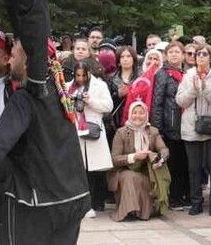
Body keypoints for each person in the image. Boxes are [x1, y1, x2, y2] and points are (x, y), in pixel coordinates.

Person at [0, 39, 90, 245]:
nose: (11, 60)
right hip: (72, 198)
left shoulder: (25, 97)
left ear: (27, 61)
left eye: (14, 55)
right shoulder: (59, 91)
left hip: (36, 206)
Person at [176, 44, 211, 216]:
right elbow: (181, 101)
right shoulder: (187, 76)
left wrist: (205, 87)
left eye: (204, 54)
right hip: (192, 127)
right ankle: (196, 202)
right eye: (198, 54)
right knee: (194, 168)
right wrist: (193, 87)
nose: (200, 57)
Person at [108, 100, 170, 221]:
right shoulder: (121, 133)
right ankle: (129, 211)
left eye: (141, 113)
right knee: (130, 177)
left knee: (146, 178)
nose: (138, 116)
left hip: (145, 171)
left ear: (146, 115)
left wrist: (159, 158)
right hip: (122, 171)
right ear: (130, 114)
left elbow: (164, 149)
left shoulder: (153, 131)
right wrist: (134, 157)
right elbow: (114, 159)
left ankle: (143, 212)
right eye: (134, 113)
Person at [66, 62, 113, 216]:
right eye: (77, 75)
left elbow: (108, 106)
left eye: (83, 75)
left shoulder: (99, 85)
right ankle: (83, 204)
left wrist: (90, 100)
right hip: (75, 131)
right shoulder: (67, 87)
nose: (80, 79)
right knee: (80, 169)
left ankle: (96, 202)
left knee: (95, 169)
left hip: (93, 129)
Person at [151, 41, 189, 208]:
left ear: (183, 55)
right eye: (171, 52)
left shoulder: (187, 73)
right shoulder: (162, 74)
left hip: (186, 124)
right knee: (172, 163)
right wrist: (158, 129)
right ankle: (173, 197)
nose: (174, 55)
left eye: (177, 52)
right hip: (170, 124)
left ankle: (183, 195)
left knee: (184, 163)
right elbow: (157, 102)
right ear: (166, 55)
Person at [107, 46, 140, 131]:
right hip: (116, 122)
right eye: (122, 57)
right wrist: (117, 95)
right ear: (118, 61)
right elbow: (107, 102)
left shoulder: (141, 78)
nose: (125, 59)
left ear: (134, 59)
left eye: (128, 56)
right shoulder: (111, 79)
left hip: (137, 118)